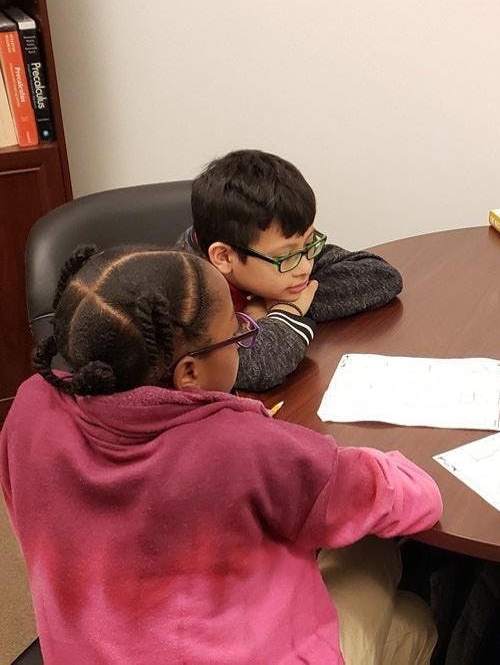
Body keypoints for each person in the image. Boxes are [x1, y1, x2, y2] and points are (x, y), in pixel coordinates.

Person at [1, 245, 441, 664]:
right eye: (237, 332)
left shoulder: (29, 406)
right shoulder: (241, 447)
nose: (242, 337)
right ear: (189, 371)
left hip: (88, 647)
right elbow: (413, 497)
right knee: (406, 605)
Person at [176, 149, 403, 391]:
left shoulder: (280, 254)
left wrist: (268, 304)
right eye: (286, 255)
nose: (305, 267)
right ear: (223, 257)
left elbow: (380, 276)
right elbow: (254, 367)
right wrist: (289, 310)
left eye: (308, 243)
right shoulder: (187, 299)